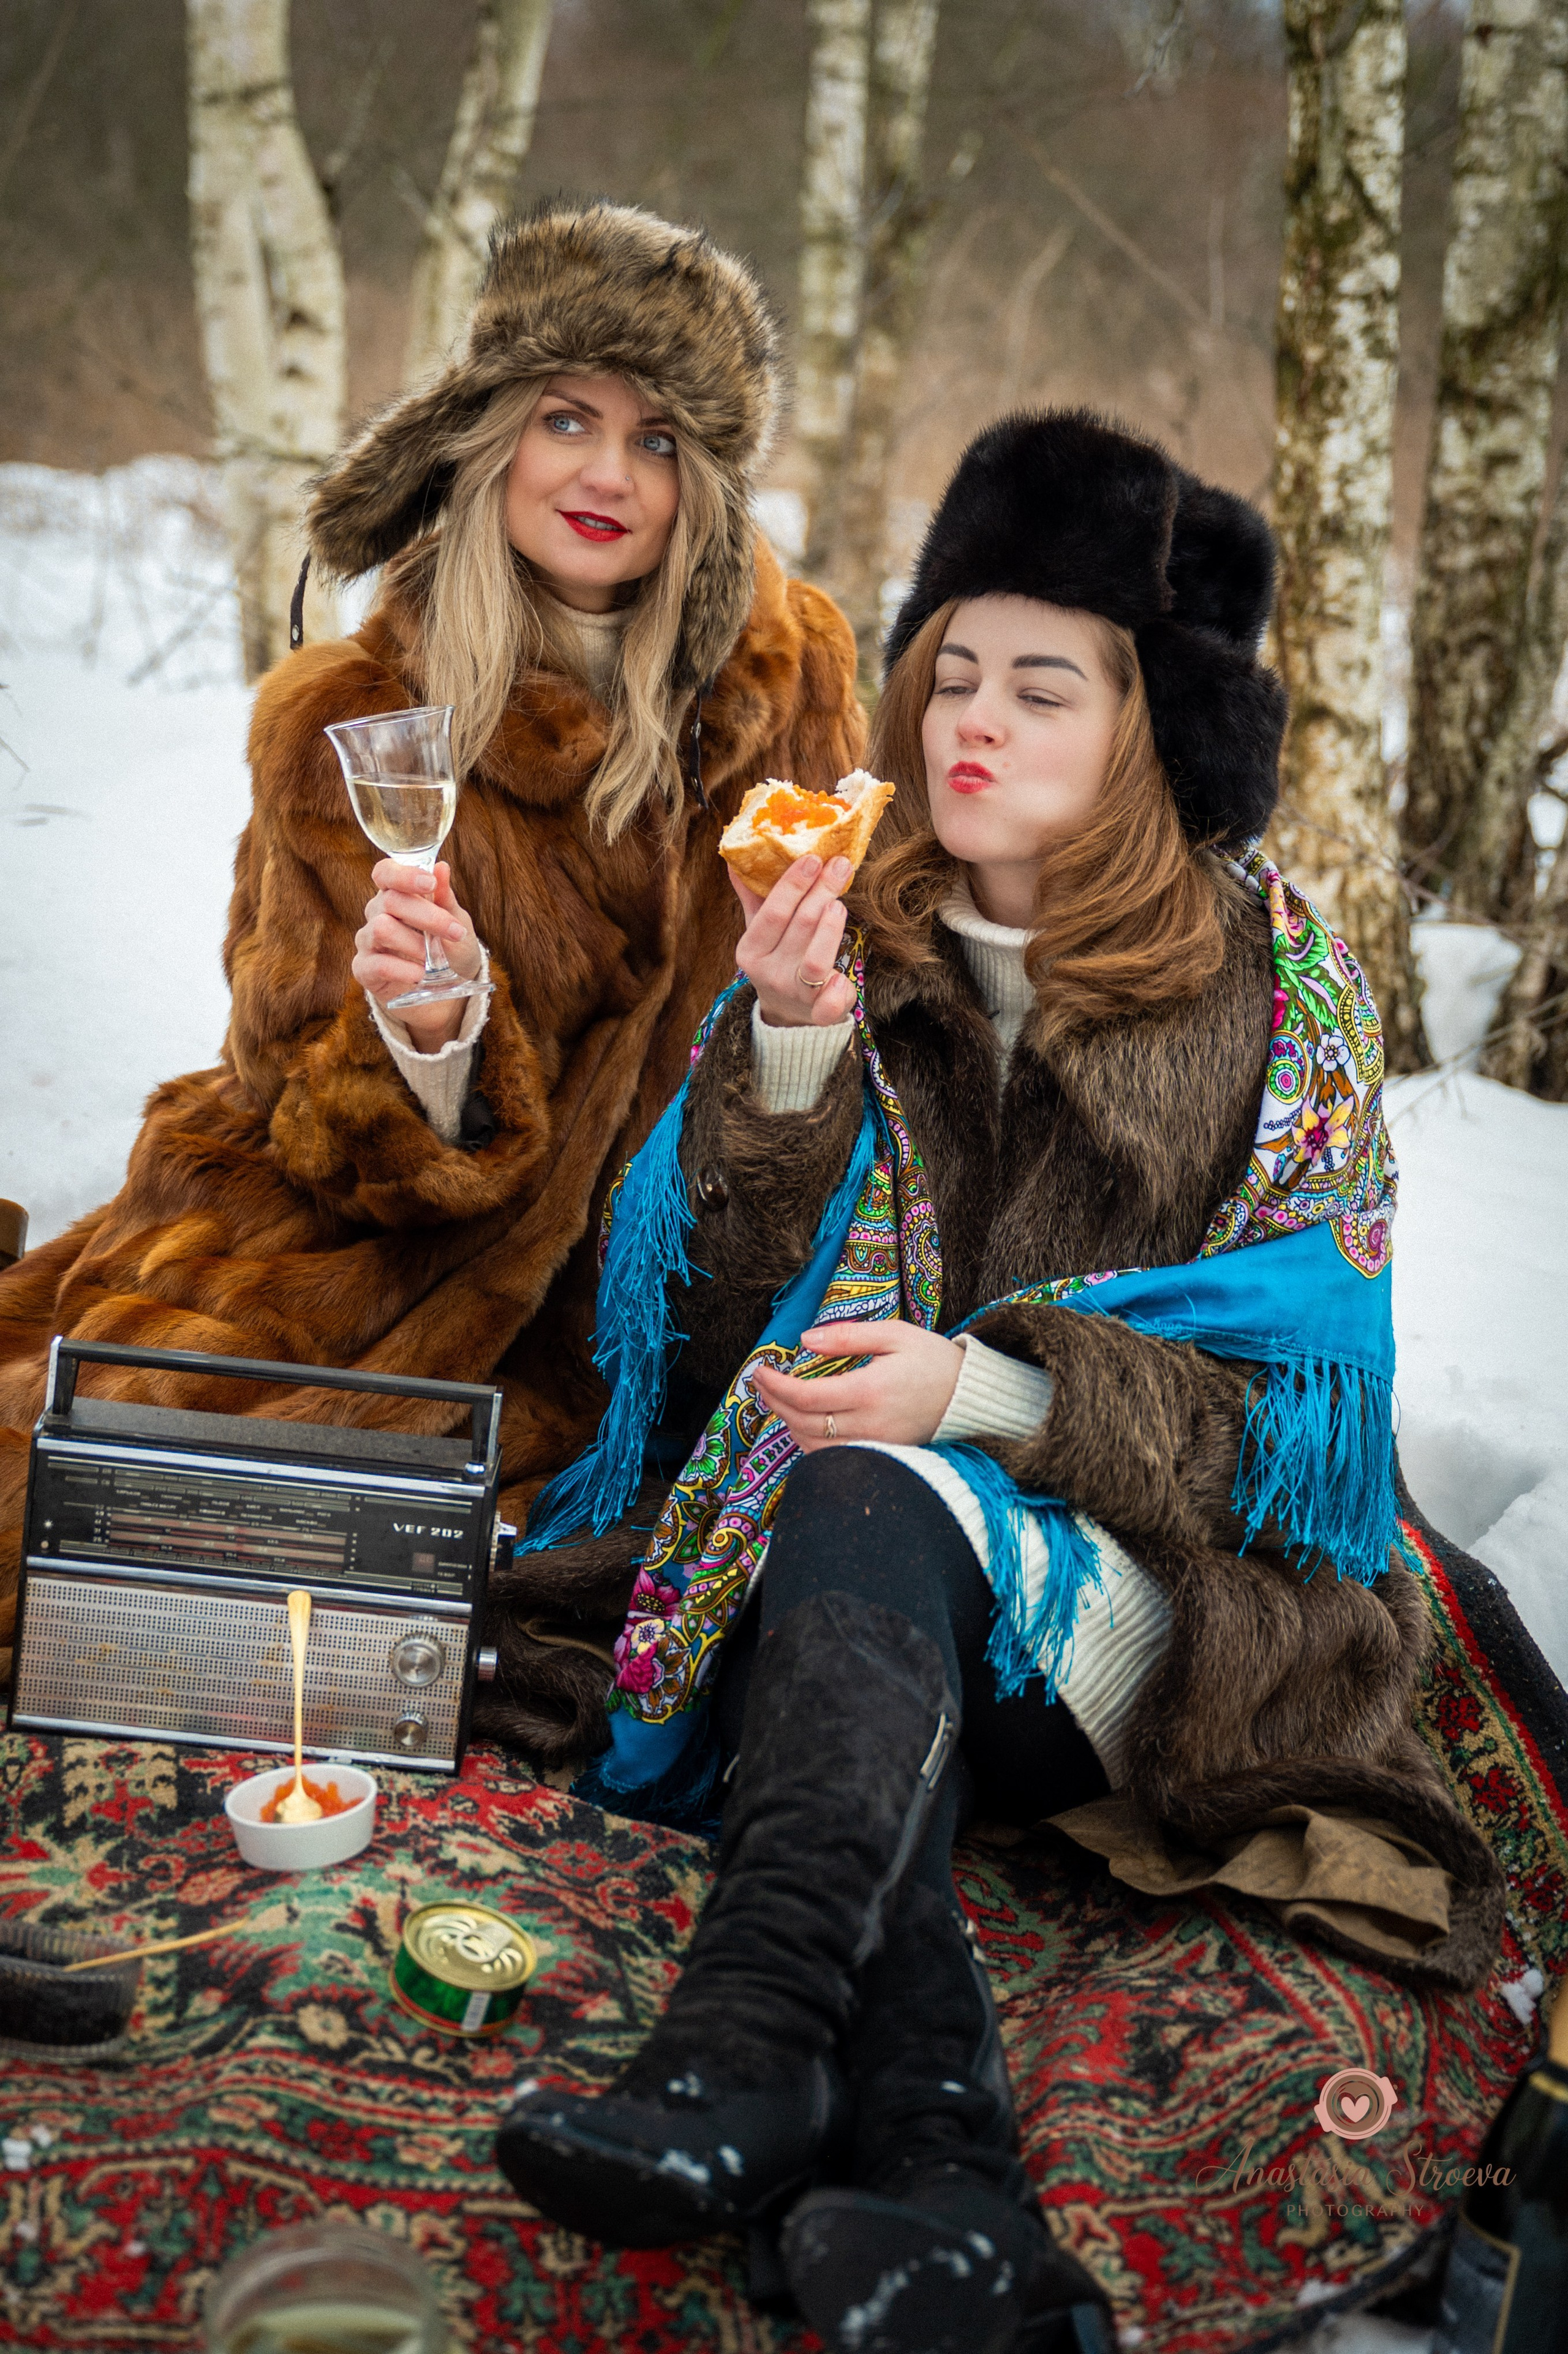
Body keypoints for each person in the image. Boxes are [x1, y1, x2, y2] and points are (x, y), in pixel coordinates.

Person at [493, 412, 1504, 2354]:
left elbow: (1296, 1461)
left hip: (1155, 1612)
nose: (971, 722)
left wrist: (987, 1396)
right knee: (848, 1543)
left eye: (1044, 687)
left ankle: (746, 2035)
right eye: (952, 669)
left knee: (873, 1497)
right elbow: (701, 1372)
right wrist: (785, 1064)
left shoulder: (1284, 1004)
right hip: (845, 1602)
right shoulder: (845, 939)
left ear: (1152, 730)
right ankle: (946, 2184)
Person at [0, 202, 867, 1730]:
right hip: (365, 1240)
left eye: (660, 439)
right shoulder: (353, 710)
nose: (607, 474)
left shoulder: (786, 680)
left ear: (707, 483)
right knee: (75, 1519)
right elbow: (290, 1087)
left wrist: (800, 1022)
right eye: (566, 418)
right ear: (487, 433)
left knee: (713, 1593)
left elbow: (839, 1033)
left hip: (649, 1274)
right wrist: (428, 1045)